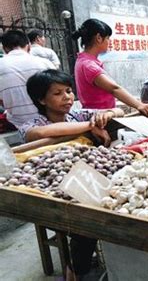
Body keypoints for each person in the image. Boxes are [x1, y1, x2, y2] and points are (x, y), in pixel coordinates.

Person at [19, 69, 123, 279]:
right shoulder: (33, 124)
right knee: (86, 219)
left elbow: (118, 111)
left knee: (112, 204)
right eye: (57, 93)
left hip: (86, 177)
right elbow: (38, 134)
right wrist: (89, 126)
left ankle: (103, 261)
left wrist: (107, 114)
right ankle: (76, 269)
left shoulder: (77, 114)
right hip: (54, 189)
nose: (67, 97)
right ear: (41, 99)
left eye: (68, 91)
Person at [73, 19, 148, 117]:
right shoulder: (88, 65)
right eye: (108, 38)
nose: (109, 42)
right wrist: (139, 105)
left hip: (101, 114)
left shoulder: (83, 60)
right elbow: (114, 89)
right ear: (99, 38)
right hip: (100, 118)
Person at [0, 30, 55, 129]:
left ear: (4, 48)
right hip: (48, 121)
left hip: (16, 124)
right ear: (29, 46)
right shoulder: (45, 63)